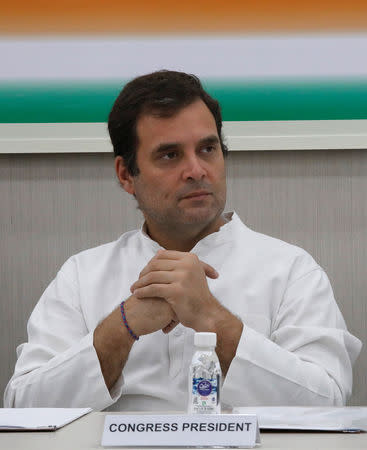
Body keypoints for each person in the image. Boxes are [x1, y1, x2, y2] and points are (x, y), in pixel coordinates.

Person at [4, 70, 361, 411]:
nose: (196, 170)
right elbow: (23, 407)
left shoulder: (290, 269)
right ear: (126, 175)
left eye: (207, 149)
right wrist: (121, 328)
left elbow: (326, 405)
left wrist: (212, 318)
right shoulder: (83, 274)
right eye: (170, 155)